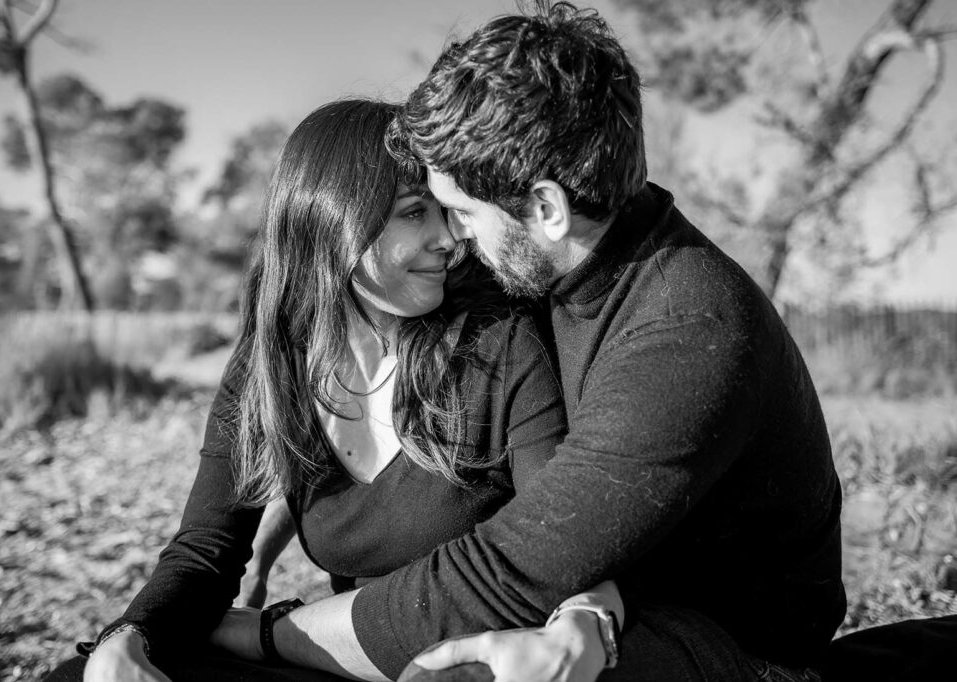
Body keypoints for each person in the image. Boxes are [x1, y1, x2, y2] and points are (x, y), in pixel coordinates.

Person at [207, 3, 847, 681]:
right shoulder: (542, 260)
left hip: (729, 644)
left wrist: (268, 633)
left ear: (546, 208)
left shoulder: (688, 330)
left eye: (460, 213)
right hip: (586, 592)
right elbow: (363, 362)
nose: (453, 241)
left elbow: (510, 572)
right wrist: (277, 520)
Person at [44, 98, 622, 682]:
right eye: (414, 212)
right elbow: (205, 552)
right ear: (332, 219)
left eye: (445, 212)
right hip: (327, 657)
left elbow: (563, 546)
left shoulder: (500, 346)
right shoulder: (269, 369)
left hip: (466, 661)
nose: (448, 239)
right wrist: (129, 639)